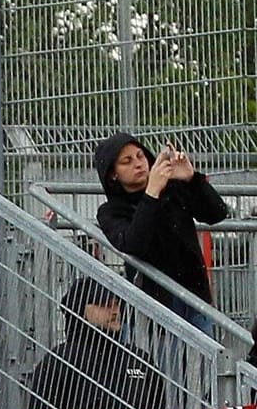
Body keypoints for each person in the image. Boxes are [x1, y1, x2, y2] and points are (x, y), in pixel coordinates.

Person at [93, 132, 228, 323]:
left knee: (201, 351)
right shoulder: (110, 211)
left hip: (195, 298)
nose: (138, 164)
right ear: (113, 174)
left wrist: (192, 178)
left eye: (140, 156)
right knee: (161, 353)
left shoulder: (172, 189)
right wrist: (152, 192)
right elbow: (133, 243)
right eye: (127, 161)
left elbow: (217, 214)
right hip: (152, 309)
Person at [25, 277, 167, 409]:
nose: (115, 311)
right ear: (81, 309)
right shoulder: (59, 362)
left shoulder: (139, 360)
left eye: (117, 304)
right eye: (105, 304)